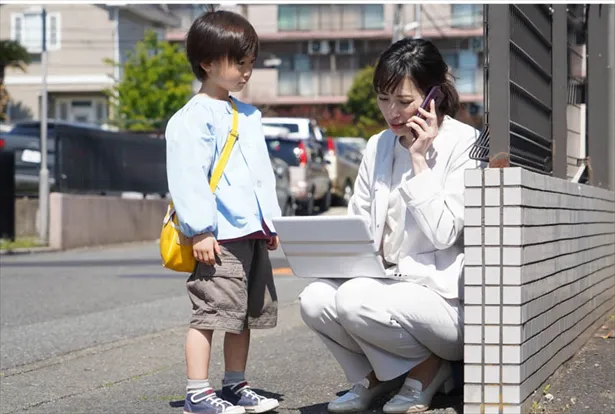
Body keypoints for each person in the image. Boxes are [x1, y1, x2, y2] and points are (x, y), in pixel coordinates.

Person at [299, 38, 481, 413]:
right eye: (384, 99)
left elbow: (445, 232)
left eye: (404, 101)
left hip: (443, 304)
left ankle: (429, 369)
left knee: (354, 300)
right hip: (384, 287)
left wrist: (419, 162)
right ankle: (380, 377)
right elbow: (359, 223)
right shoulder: (378, 146)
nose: (392, 112)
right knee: (314, 300)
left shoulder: (464, 144)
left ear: (434, 95)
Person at [165, 10, 281, 414]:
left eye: (250, 63)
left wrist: (270, 220)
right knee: (210, 313)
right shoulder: (191, 118)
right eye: (238, 63)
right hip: (217, 236)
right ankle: (198, 391)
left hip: (249, 232)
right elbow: (188, 177)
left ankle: (234, 385)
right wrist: (199, 229)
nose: (247, 72)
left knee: (242, 315)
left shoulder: (248, 116)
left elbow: (261, 175)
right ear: (207, 63)